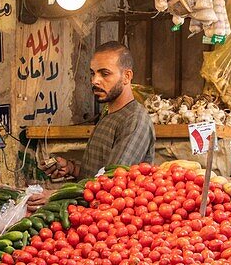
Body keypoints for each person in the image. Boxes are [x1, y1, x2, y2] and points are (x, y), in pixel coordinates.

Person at [52, 41, 155, 180]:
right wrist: (72, 168)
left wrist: (55, 195)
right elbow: (96, 174)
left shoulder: (135, 120)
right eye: (93, 73)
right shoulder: (109, 114)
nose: (95, 80)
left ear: (127, 76)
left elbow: (111, 182)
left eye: (104, 74)